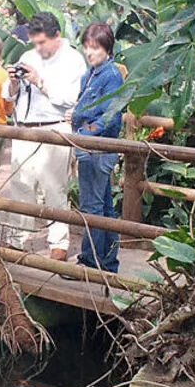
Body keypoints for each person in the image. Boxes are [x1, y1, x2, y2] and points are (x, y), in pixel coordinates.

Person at [1, 11, 87, 261]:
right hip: (24, 128)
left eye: (42, 43)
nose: (38, 48)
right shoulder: (28, 56)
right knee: (21, 185)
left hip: (55, 128)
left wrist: (40, 82)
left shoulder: (73, 60)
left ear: (57, 35)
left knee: (54, 187)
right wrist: (14, 82)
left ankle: (58, 243)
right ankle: (17, 239)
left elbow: (70, 99)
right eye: (35, 42)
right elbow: (8, 95)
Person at [69, 22, 125, 272]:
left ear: (107, 49)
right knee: (104, 206)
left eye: (95, 48)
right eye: (87, 47)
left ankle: (90, 262)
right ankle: (108, 263)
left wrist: (85, 134)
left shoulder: (110, 75)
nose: (89, 53)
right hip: (90, 147)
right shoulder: (91, 74)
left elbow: (110, 115)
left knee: (92, 206)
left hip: (97, 148)